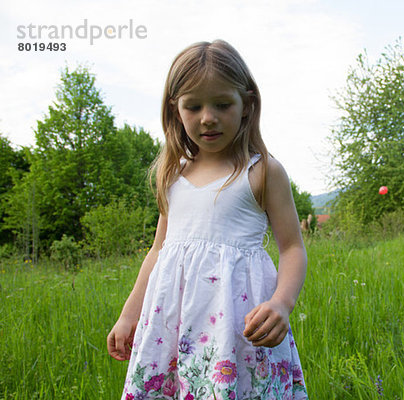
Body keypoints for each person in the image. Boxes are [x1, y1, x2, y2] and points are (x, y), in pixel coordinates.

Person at [107, 40, 309, 399]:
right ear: (175, 110)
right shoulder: (171, 175)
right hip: (173, 325)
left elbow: (292, 247)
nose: (208, 117)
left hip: (237, 329)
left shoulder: (262, 171)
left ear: (247, 104)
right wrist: (128, 314)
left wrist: (281, 303)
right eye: (193, 105)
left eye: (222, 104)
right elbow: (157, 252)